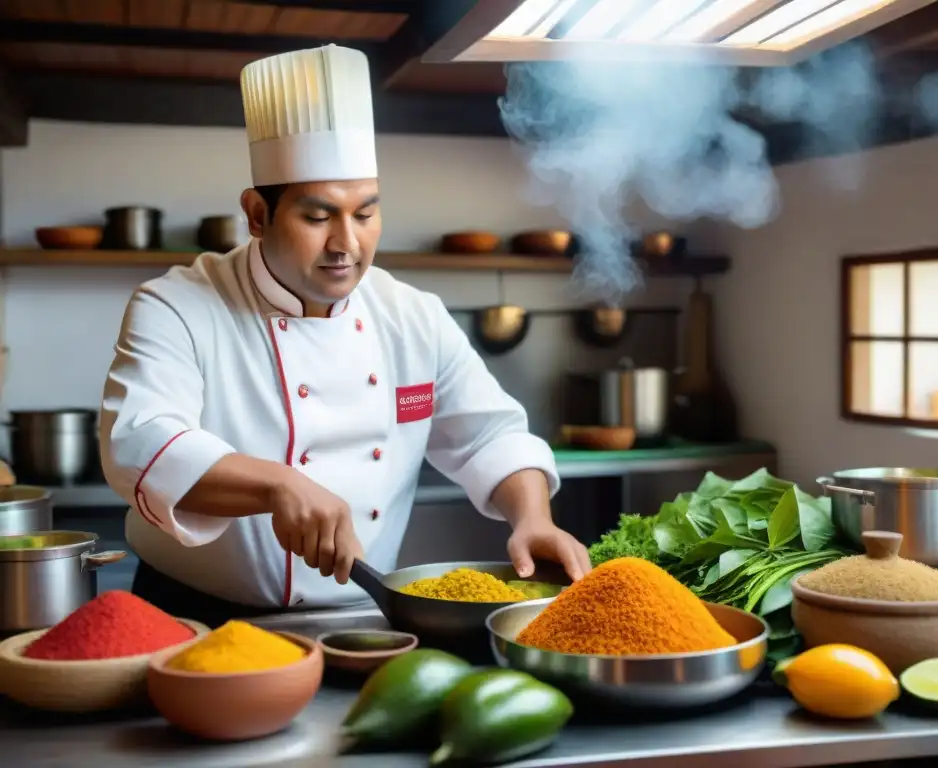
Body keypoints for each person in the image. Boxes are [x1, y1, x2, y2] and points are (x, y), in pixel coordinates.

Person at [99, 44, 591, 627]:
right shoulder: (177, 305)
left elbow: (491, 436)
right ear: (257, 214)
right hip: (192, 620)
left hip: (361, 617)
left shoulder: (413, 316)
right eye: (317, 216)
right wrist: (276, 485)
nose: (346, 244)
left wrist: (532, 516)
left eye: (364, 214)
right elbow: (139, 442)